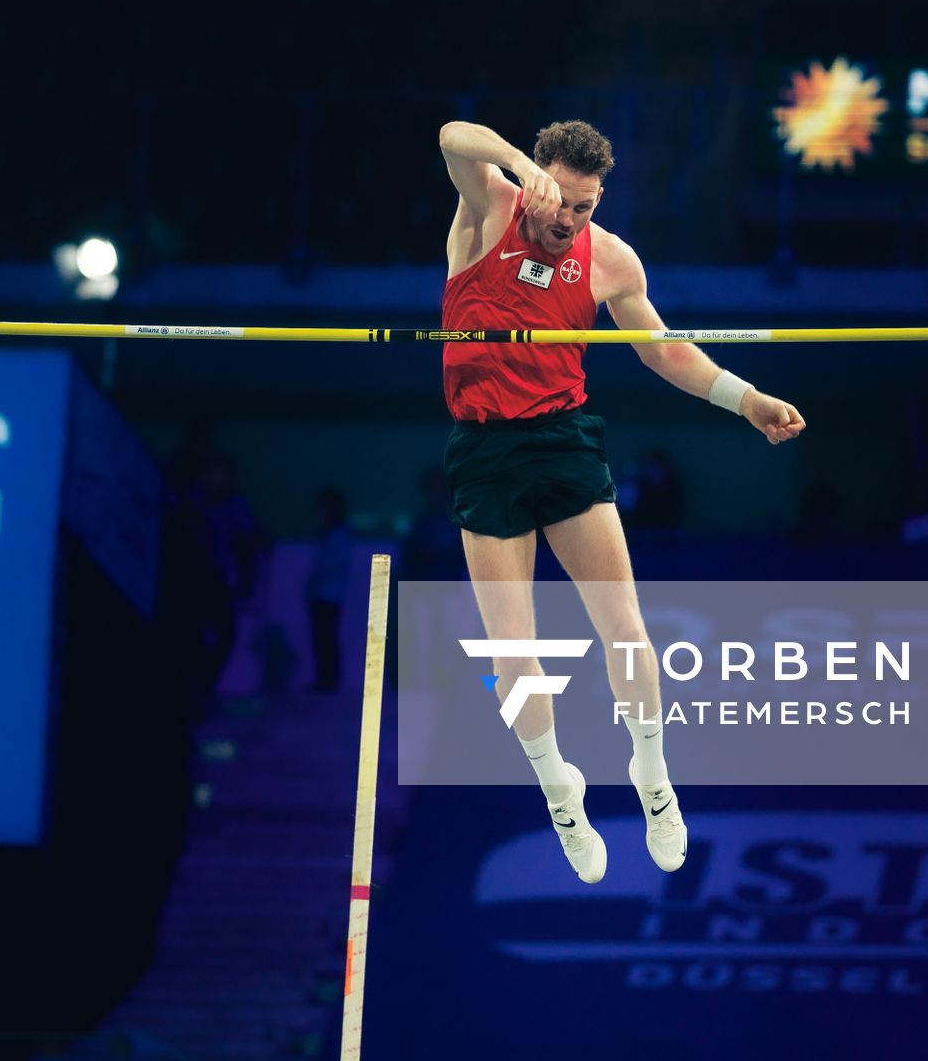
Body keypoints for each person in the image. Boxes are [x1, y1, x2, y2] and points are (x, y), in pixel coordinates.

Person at [437, 118, 806, 883]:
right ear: (536, 180)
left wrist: (748, 400)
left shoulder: (609, 259)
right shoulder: (489, 207)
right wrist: (517, 167)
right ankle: (559, 792)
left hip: (563, 441)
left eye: (586, 206)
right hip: (484, 450)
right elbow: (451, 135)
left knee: (627, 630)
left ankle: (653, 776)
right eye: (561, 201)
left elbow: (665, 352)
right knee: (512, 655)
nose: (569, 219)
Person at [305, 487, 354, 692]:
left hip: (328, 595)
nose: (319, 511)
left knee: (326, 638)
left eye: (323, 506)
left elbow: (334, 563)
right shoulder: (330, 533)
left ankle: (328, 682)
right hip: (323, 594)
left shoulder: (338, 534)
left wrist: (317, 578)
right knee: (323, 638)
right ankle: (326, 681)